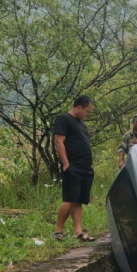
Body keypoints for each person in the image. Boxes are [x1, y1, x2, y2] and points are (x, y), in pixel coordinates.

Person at [53, 96, 96, 242]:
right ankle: (58, 230)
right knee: (70, 199)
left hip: (85, 168)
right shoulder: (64, 119)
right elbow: (58, 141)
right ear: (79, 108)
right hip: (73, 166)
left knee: (79, 200)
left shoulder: (81, 124)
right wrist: (66, 164)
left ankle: (78, 231)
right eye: (87, 111)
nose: (87, 114)